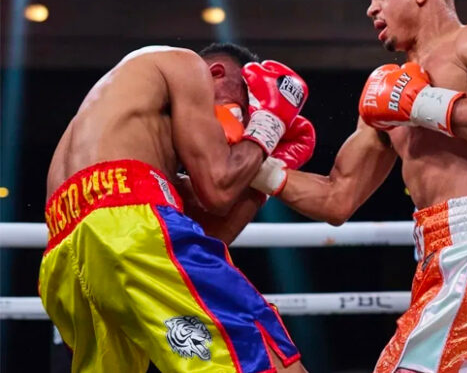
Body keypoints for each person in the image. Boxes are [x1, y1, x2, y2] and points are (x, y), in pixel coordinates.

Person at [247, 0, 467, 371]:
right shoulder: (383, 94)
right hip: (440, 258)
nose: (370, 9)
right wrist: (258, 169)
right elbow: (336, 198)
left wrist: (421, 103)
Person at [39, 42, 314, 373]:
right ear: (217, 73)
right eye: (240, 108)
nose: (234, 129)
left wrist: (258, 179)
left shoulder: (121, 123)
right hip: (130, 227)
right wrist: (268, 124)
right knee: (268, 362)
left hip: (62, 256)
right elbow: (218, 189)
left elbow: (212, 235)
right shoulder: (185, 65)